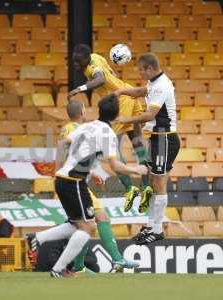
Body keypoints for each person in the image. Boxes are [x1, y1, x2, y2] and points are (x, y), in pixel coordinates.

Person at [27, 95, 147, 278]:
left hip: (69, 180)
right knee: (88, 228)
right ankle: (59, 269)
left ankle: (37, 239)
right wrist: (136, 169)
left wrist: (59, 171)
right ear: (117, 116)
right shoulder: (107, 133)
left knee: (78, 225)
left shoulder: (87, 126)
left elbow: (61, 144)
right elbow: (115, 166)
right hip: (73, 182)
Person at [68, 44, 152, 214]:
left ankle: (130, 189)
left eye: (78, 62)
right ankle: (147, 188)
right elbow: (111, 74)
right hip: (129, 96)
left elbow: (100, 79)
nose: (76, 66)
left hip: (120, 103)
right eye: (74, 62)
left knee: (111, 149)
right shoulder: (96, 56)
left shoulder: (92, 69)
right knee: (137, 143)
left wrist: (79, 88)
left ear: (85, 59)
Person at [114, 53, 180, 245]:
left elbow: (150, 115)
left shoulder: (162, 85)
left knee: (158, 182)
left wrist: (125, 120)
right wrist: (121, 92)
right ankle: (151, 225)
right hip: (157, 138)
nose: (140, 73)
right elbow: (142, 91)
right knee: (152, 181)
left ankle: (158, 229)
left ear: (150, 68)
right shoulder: (154, 82)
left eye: (141, 70)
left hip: (165, 138)